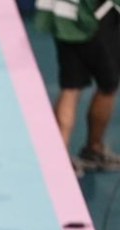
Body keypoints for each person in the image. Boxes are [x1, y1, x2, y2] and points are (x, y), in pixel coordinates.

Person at [36, 0, 120, 175]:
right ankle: (94, 150)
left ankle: (57, 160)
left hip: (63, 18)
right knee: (108, 87)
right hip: (96, 18)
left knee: (70, 88)